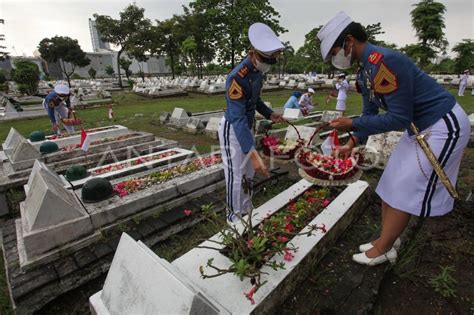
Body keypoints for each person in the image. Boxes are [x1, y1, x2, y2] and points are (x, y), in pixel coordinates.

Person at [317, 11, 471, 266]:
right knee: (389, 182)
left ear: (349, 41)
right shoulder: (365, 70)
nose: (335, 58)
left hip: (442, 124)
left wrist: (351, 123)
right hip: (418, 127)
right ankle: (385, 239)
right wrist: (352, 142)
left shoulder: (385, 61)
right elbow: (370, 112)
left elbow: (398, 118)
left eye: (334, 52)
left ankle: (385, 248)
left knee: (406, 188)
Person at [218, 22, 285, 223]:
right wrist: (253, 153)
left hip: (246, 126)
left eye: (271, 60)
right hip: (233, 128)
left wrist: (269, 113)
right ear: (252, 54)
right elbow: (237, 117)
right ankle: (233, 216)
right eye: (265, 59)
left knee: (247, 173)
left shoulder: (257, 73)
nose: (268, 63)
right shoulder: (237, 78)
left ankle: (246, 209)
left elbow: (254, 100)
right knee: (235, 174)